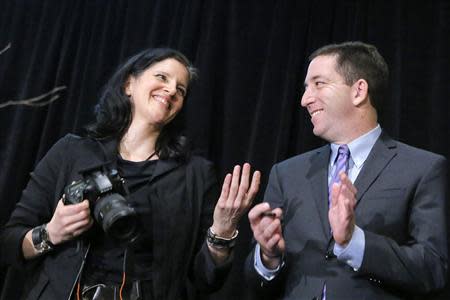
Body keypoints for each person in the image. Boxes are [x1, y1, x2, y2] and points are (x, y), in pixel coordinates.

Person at [0, 48, 260, 300]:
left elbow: (206, 280)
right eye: (162, 77)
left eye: (181, 90)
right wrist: (51, 233)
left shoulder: (195, 175)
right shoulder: (72, 152)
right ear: (128, 85)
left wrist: (223, 232)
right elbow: (10, 243)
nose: (171, 90)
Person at [245, 41, 447, 299]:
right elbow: (255, 283)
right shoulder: (287, 174)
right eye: (306, 88)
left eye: (318, 84)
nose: (305, 99)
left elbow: (434, 269)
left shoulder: (423, 168)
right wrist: (268, 257)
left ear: (358, 91)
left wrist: (355, 242)